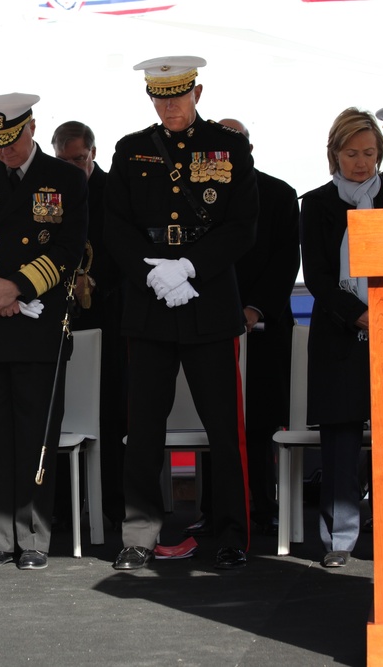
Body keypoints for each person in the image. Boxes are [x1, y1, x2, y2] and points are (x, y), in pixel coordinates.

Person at [104, 57, 256, 571]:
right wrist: (153, 273)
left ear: (197, 93)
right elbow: (116, 226)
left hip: (208, 299)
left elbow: (241, 226)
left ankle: (233, 532)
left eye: (177, 95)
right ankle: (139, 533)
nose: (169, 105)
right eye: (159, 97)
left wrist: (190, 266)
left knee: (224, 427)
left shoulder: (229, 147)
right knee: (143, 427)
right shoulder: (131, 149)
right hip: (149, 301)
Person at [0, 93, 88, 570]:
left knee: (33, 436)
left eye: (11, 142)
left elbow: (70, 247)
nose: (3, 152)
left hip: (37, 325)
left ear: (31, 130)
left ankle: (34, 538)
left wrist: (19, 288)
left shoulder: (65, 178)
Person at [185, 118, 300, 537]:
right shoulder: (198, 196)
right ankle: (215, 509)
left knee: (263, 419)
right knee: (219, 420)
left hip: (265, 327)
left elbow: (286, 263)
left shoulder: (280, 193)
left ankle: (263, 505)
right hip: (211, 324)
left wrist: (253, 310)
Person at [299, 107, 383, 568]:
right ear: (334, 154)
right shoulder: (316, 203)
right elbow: (317, 276)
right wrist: (362, 316)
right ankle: (339, 540)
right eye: (352, 153)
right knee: (341, 440)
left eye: (370, 153)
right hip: (340, 334)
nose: (362, 163)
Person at [50, 120, 127, 531]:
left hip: (107, 314)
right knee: (59, 413)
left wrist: (94, 279)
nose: (73, 167)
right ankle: (62, 510)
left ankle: (112, 507)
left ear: (93, 154)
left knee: (109, 415)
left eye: (79, 160)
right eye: (64, 160)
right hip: (58, 317)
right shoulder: (49, 191)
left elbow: (124, 248)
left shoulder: (113, 189)